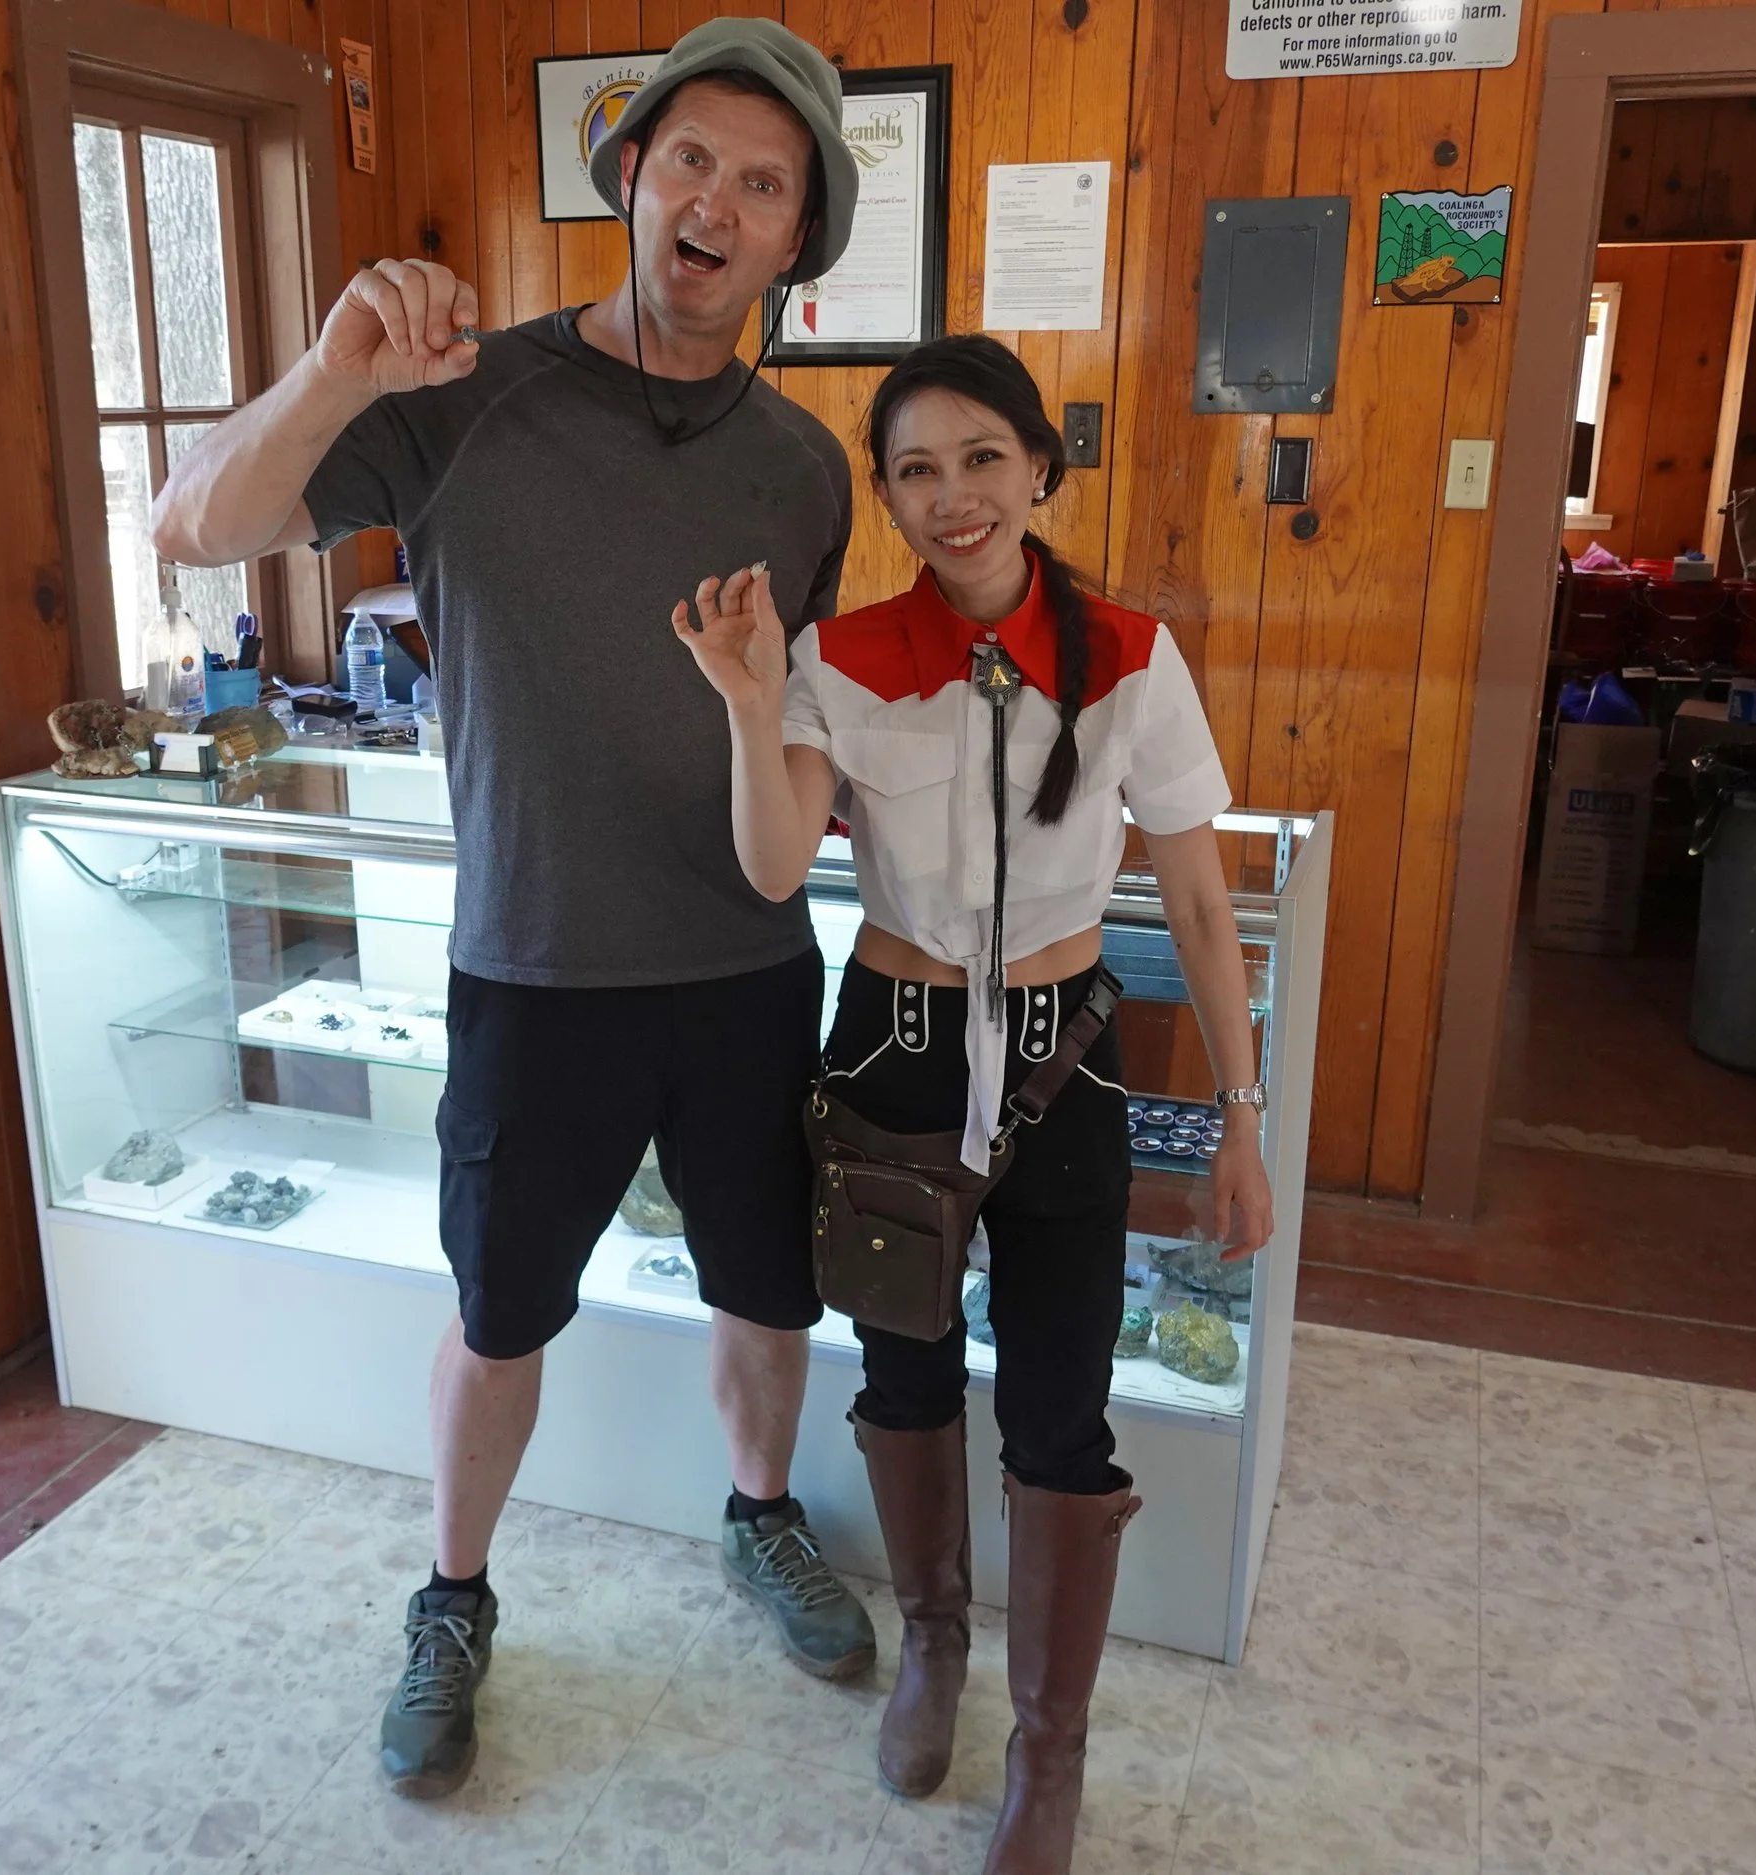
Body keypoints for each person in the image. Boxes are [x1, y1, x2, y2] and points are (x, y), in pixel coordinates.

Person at [150, 16, 879, 1801]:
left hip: (746, 965)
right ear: (630, 174)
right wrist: (334, 373)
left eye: (763, 183)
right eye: (691, 158)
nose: (717, 201)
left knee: (767, 1289)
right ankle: (454, 1595)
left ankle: (761, 1513)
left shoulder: (804, 471)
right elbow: (191, 523)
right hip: (535, 964)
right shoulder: (460, 394)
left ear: (797, 241)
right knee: (498, 1316)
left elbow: (794, 721)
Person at [670, 334, 1275, 1874]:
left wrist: (1246, 1116)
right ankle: (934, 1643)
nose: (954, 497)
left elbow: (1203, 904)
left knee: (1065, 1408)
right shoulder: (847, 657)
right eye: (917, 470)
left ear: (1040, 468)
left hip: (1068, 1061)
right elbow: (773, 864)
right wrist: (747, 698)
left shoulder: (1131, 657)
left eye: (983, 458)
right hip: (896, 1052)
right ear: (886, 495)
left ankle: (1049, 1749)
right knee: (907, 1371)